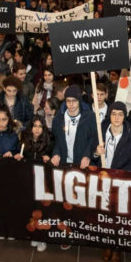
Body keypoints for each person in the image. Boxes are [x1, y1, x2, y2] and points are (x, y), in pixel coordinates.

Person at [96, 101, 131, 262]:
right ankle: (107, 244)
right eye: (114, 114)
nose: (116, 117)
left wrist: (119, 175)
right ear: (109, 115)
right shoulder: (101, 133)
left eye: (120, 114)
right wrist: (96, 153)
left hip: (120, 184)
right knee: (104, 217)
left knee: (118, 218)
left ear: (124, 116)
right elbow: (88, 155)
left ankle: (117, 249)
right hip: (101, 182)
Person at [14, 115, 53, 252]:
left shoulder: (49, 141)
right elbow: (18, 154)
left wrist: (50, 158)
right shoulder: (24, 141)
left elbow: (55, 159)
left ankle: (42, 237)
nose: (37, 129)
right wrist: (19, 156)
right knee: (31, 208)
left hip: (44, 181)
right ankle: (34, 235)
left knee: (42, 209)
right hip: (29, 179)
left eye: (39, 126)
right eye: (34, 126)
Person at [50, 85, 98, 169]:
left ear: (79, 101)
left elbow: (92, 138)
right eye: (68, 101)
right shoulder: (59, 118)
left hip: (82, 164)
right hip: (63, 163)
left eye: (74, 101)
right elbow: (56, 139)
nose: (71, 104)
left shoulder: (89, 117)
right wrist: (56, 153)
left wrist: (87, 155)